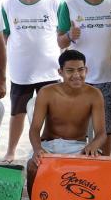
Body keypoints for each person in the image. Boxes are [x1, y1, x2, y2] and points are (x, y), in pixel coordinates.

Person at [57, 0, 111, 156]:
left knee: (108, 128)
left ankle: (105, 162)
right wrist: (69, 36)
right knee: (77, 128)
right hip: (78, 79)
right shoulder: (69, 5)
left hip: (108, 76)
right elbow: (60, 42)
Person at [0, 0, 60, 162]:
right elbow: (5, 36)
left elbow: (62, 34)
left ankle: (50, 148)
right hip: (21, 71)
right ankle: (10, 151)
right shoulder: (8, 4)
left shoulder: (54, 2)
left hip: (50, 70)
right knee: (17, 113)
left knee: (53, 114)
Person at [27, 50, 106, 192]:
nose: (76, 75)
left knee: (100, 167)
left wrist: (93, 145)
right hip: (49, 146)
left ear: (86, 70)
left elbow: (101, 133)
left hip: (79, 148)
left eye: (81, 70)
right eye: (70, 71)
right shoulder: (46, 92)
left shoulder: (94, 94)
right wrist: (37, 149)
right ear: (60, 72)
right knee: (32, 166)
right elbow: (34, 129)